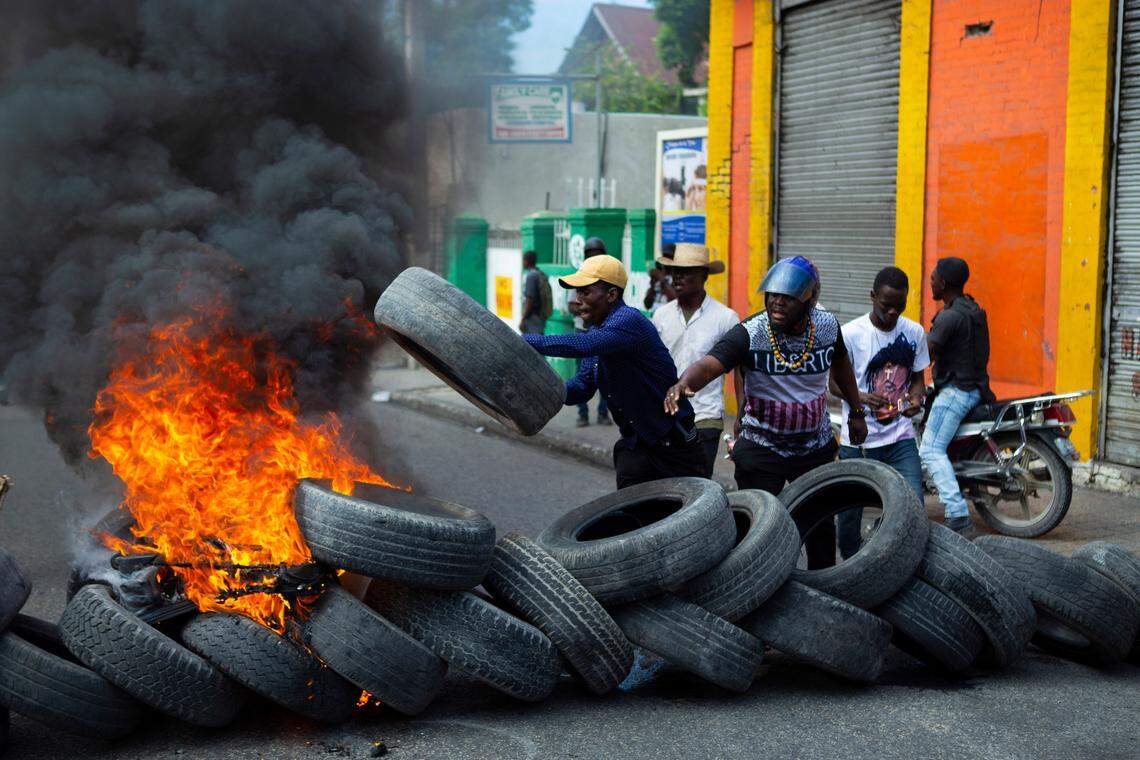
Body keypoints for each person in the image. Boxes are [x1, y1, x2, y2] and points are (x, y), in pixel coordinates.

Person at [664, 256, 868, 569]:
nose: (776, 302)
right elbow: (710, 364)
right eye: (772, 295)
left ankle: (824, 592)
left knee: (820, 526)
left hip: (814, 447)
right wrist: (683, 383)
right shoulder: (751, 332)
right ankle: (751, 584)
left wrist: (856, 411)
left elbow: (841, 365)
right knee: (754, 525)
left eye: (786, 297)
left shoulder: (827, 327)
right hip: (762, 445)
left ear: (808, 300)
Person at [524, 254, 707, 489]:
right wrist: (541, 387)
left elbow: (583, 346)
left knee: (692, 521)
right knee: (631, 520)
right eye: (577, 293)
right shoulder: (599, 334)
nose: (577, 300)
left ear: (611, 295)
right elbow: (581, 388)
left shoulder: (627, 321)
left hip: (674, 448)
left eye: (586, 292)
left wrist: (522, 342)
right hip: (636, 448)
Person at [830, 266, 930, 559]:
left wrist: (915, 397)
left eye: (899, 307)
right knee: (849, 514)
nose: (892, 314)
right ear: (872, 297)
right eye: (886, 306)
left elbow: (918, 378)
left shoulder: (913, 332)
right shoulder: (849, 334)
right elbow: (833, 384)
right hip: (858, 441)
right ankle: (850, 565)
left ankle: (901, 562)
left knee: (914, 506)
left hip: (900, 439)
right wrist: (859, 396)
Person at [651, 243, 738, 478]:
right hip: (665, 416)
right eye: (675, 270)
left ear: (704, 276)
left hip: (705, 417)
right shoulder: (661, 315)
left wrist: (742, 416)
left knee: (698, 487)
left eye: (686, 271)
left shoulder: (725, 318)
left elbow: (741, 370)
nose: (677, 277)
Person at [920, 257, 993, 536]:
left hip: (956, 391)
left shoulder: (949, 316)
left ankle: (958, 515)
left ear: (945, 283)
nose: (931, 281)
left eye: (934, 278)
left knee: (930, 449)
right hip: (974, 387)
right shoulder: (972, 308)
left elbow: (925, 351)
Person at [571, 237, 610, 427]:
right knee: (582, 376)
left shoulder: (609, 278)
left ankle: (603, 412)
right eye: (591, 255)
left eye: (598, 254)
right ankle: (582, 413)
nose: (594, 258)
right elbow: (572, 305)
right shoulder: (580, 275)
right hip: (583, 332)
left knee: (606, 374)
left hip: (603, 333)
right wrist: (590, 308)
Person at [518, 250, 549, 335]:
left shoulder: (531, 276)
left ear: (526, 261)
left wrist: (523, 319)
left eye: (523, 260)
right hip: (540, 317)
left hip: (532, 318)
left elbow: (529, 300)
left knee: (530, 344)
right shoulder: (541, 274)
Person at [643, 243, 677, 313]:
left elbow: (676, 301)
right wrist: (653, 285)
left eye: (670, 257)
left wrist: (662, 280)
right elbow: (647, 305)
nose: (666, 260)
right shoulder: (658, 276)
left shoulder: (678, 277)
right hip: (656, 316)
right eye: (665, 256)